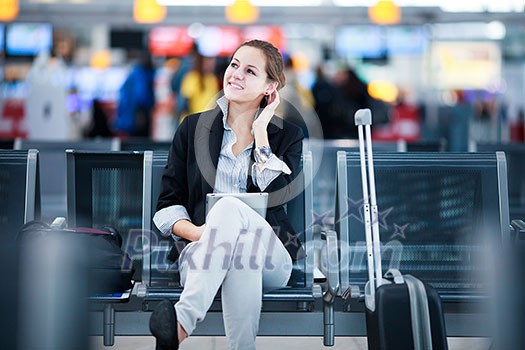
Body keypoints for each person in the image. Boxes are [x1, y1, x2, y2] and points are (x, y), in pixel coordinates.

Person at [149, 40, 305, 350]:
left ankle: (180, 324)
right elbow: (167, 204)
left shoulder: (287, 136)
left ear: (269, 86)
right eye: (234, 65)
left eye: (250, 71)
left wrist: (261, 132)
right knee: (241, 248)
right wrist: (197, 233)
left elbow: (275, 193)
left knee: (232, 208)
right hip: (203, 249)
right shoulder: (193, 129)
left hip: (271, 256)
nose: (236, 74)